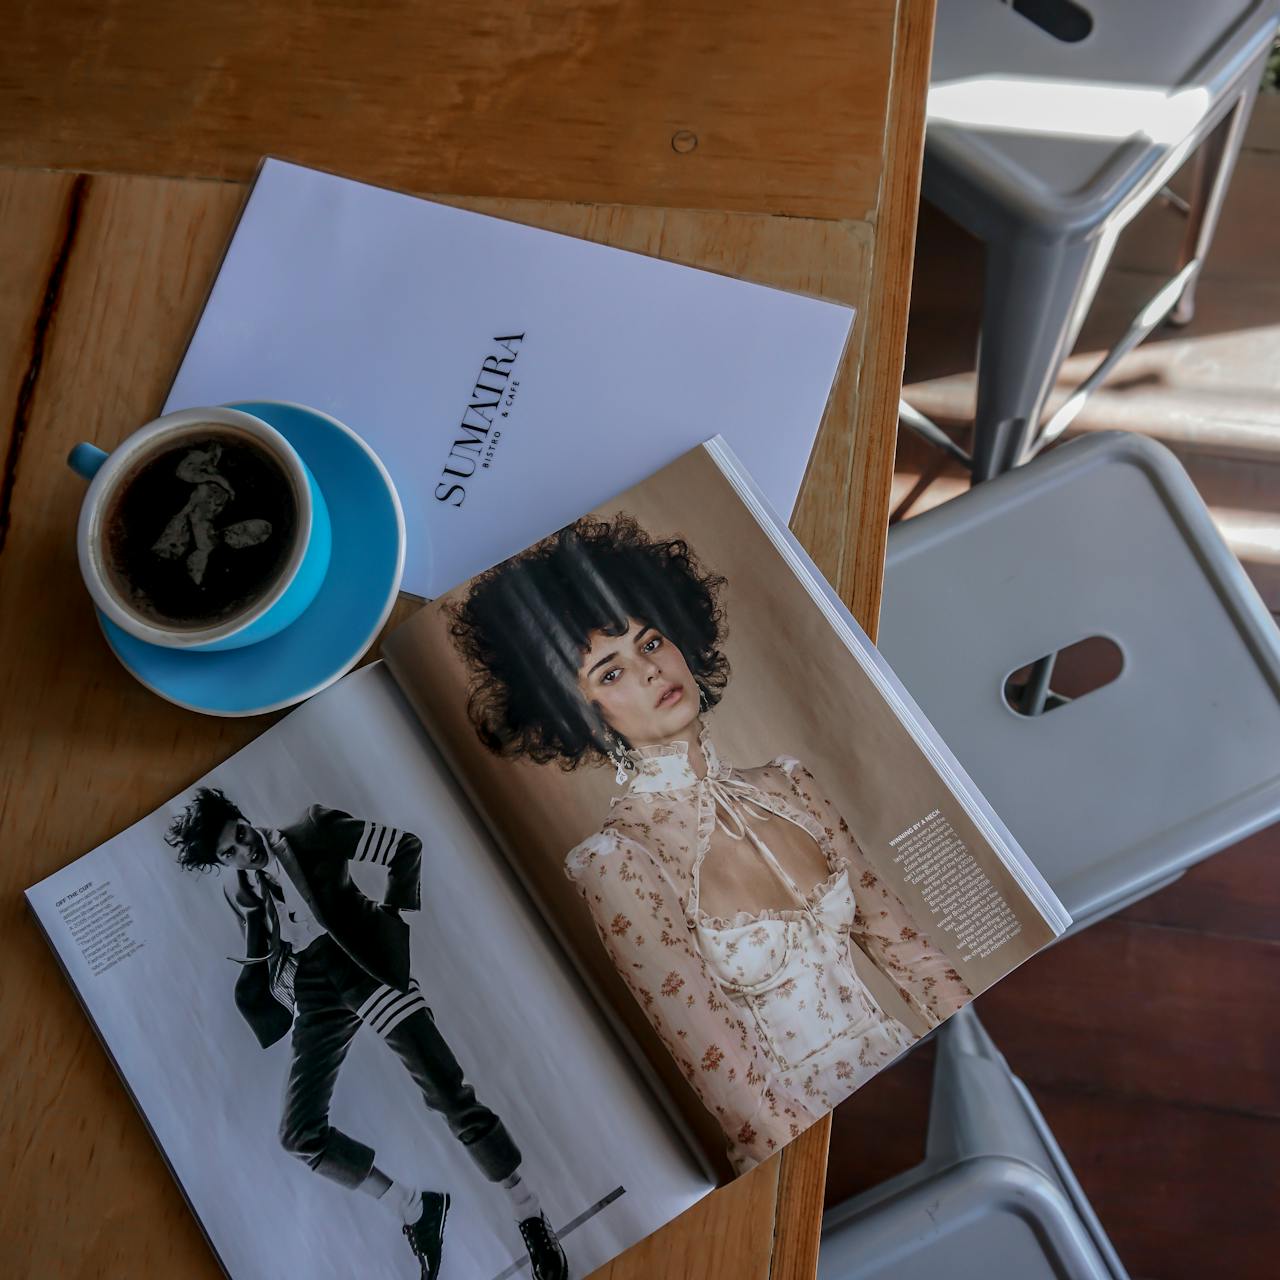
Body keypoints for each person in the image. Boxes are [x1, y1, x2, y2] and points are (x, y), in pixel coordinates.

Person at [448, 515, 972, 1171]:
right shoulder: (619, 862)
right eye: (610, 673)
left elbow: (912, 954)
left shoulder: (789, 785)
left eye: (650, 641)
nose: (648, 670)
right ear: (578, 716)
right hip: (819, 1151)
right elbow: (738, 1095)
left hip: (928, 1084)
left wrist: (977, 1063)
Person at [164, 788, 569, 1280]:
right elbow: (268, 943)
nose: (245, 852)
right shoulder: (240, 891)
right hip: (316, 993)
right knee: (299, 1134)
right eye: (230, 853)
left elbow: (404, 847)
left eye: (242, 836)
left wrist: (390, 926)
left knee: (446, 1091)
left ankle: (528, 1210)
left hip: (366, 968)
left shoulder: (312, 831)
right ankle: (415, 1209)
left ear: (245, 818)